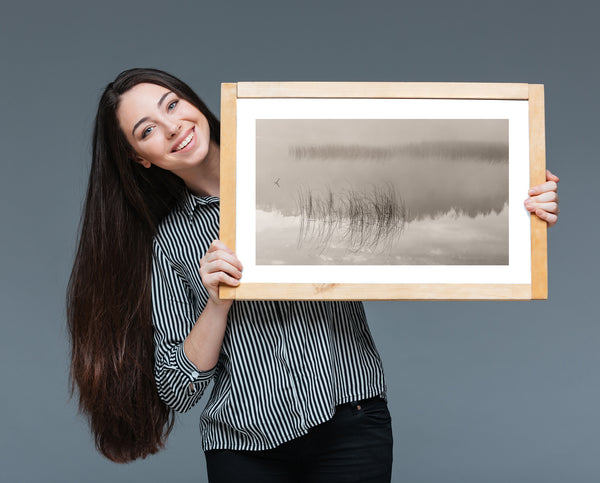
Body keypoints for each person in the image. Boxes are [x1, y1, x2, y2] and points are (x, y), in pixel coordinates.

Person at [67, 68, 560, 482]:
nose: (171, 127)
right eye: (146, 129)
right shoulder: (171, 242)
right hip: (241, 449)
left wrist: (519, 203)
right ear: (139, 156)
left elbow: (418, 205)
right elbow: (177, 389)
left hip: (350, 422)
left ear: (194, 103)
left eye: (172, 105)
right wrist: (217, 302)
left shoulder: (306, 166)